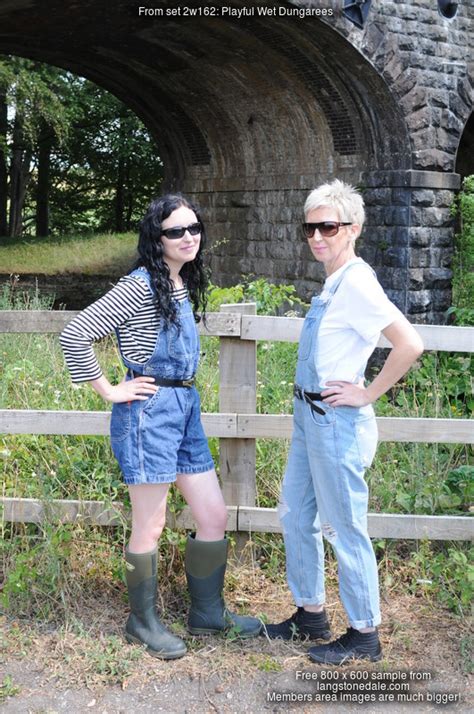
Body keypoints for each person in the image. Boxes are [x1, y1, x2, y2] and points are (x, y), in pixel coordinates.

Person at [60, 193, 262, 660]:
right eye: (176, 231)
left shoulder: (179, 281)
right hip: (148, 413)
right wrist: (110, 390)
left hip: (184, 407)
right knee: (149, 525)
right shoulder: (140, 285)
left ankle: (207, 614)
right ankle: (142, 622)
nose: (188, 237)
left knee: (212, 515)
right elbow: (76, 333)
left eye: (194, 228)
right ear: (157, 237)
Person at [263, 180, 424, 665]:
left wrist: (367, 392)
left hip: (335, 422)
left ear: (352, 229)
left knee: (343, 525)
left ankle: (364, 633)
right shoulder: (332, 282)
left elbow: (409, 344)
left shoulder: (356, 281)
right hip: (308, 417)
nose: (317, 236)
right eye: (310, 227)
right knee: (295, 513)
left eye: (327, 227)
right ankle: (311, 613)